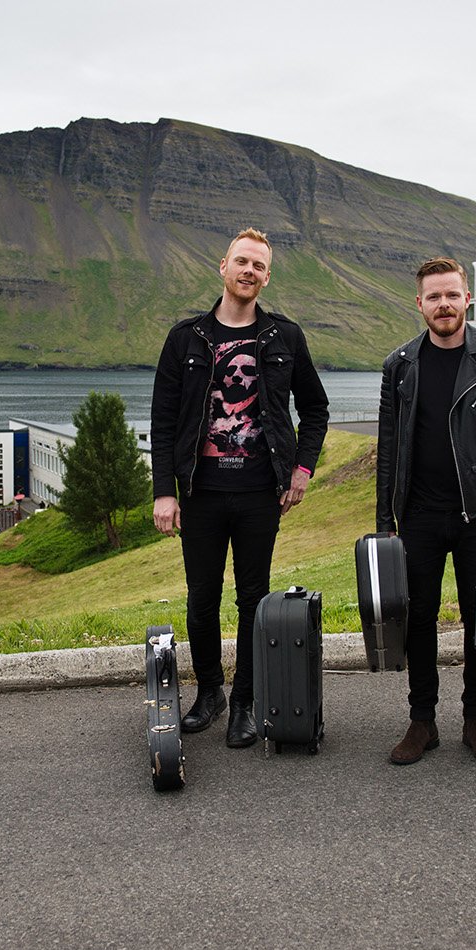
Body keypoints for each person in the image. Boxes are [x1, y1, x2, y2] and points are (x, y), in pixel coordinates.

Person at [151, 228, 330, 749]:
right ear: (223, 267)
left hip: (259, 493)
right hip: (201, 492)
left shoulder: (285, 337)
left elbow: (315, 408)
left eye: (259, 265)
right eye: (242, 262)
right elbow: (163, 419)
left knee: (253, 598)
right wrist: (165, 491)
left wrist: (302, 469)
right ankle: (210, 693)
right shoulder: (185, 338)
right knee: (201, 597)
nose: (249, 271)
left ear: (266, 277)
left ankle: (246, 704)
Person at [375, 256, 476, 765]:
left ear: (467, 298)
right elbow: (388, 448)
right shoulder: (399, 365)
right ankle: (422, 721)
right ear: (419, 304)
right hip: (418, 515)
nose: (443, 304)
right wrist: (385, 523)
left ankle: (475, 719)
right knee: (418, 617)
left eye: (451, 295)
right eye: (433, 297)